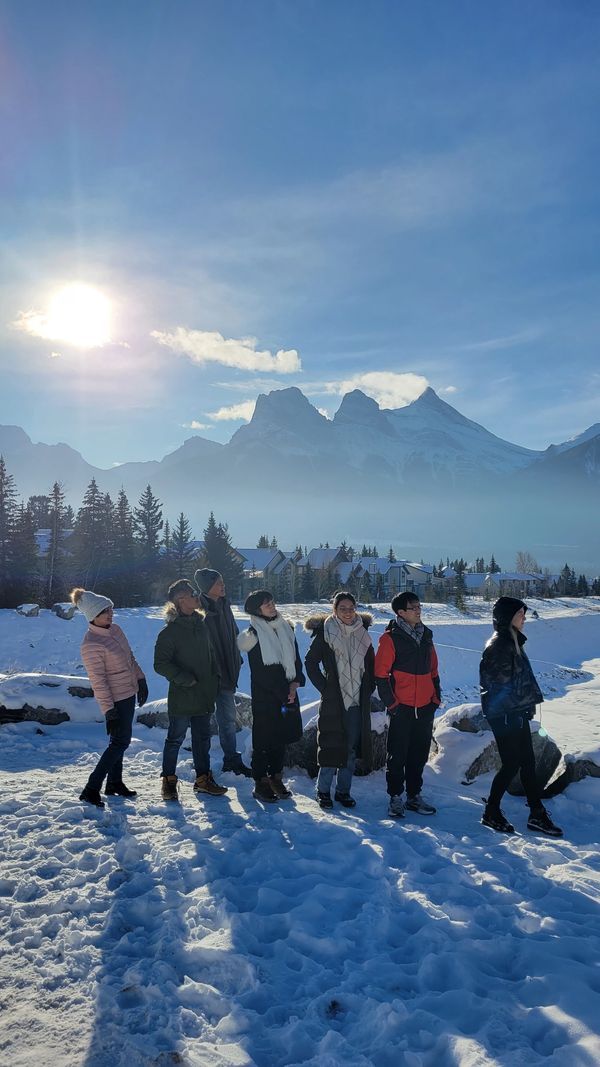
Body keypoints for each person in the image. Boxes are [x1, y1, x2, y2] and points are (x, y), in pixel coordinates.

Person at [480, 597, 563, 836]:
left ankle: (536, 813)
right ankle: (491, 811)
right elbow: (497, 687)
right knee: (511, 764)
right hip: (505, 716)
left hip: (516, 713)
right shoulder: (499, 646)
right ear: (507, 617)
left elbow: (518, 682)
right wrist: (513, 710)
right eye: (520, 614)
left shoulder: (513, 641)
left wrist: (525, 706)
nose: (524, 618)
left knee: (527, 763)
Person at [72, 588, 148, 808]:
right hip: (115, 699)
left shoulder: (116, 630)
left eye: (110, 609)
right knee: (120, 742)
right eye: (105, 611)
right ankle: (91, 788)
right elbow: (99, 682)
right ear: (93, 616)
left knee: (119, 742)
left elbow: (130, 657)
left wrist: (141, 680)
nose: (110, 614)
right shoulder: (91, 644)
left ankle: (114, 783)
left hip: (128, 692)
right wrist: (109, 711)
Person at [154, 579, 225, 801]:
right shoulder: (169, 633)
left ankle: (203, 780)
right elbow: (160, 664)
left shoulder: (201, 625)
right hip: (183, 697)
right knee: (175, 739)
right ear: (180, 600)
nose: (197, 597)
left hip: (204, 695)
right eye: (192, 594)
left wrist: (215, 679)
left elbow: (211, 655)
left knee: (202, 740)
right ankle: (168, 782)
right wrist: (185, 679)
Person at [304, 591, 375, 809]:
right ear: (334, 610)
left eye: (351, 608)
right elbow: (310, 663)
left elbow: (371, 666)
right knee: (329, 746)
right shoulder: (325, 632)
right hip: (334, 700)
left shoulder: (363, 634)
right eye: (342, 608)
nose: (347, 612)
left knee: (351, 750)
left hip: (356, 701)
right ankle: (323, 790)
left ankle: (343, 791)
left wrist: (368, 688)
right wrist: (325, 688)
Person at [375, 593, 441, 819]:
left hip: (424, 707)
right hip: (401, 707)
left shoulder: (426, 636)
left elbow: (434, 671)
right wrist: (393, 704)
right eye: (413, 607)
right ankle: (395, 797)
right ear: (400, 613)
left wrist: (435, 699)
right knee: (397, 755)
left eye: (418, 605)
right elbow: (380, 675)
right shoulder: (390, 639)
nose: (418, 609)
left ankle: (414, 796)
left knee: (419, 754)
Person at [237, 589, 304, 803]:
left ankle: (276, 777)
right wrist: (286, 692)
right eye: (267, 604)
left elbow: (296, 659)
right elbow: (261, 672)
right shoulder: (253, 635)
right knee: (263, 740)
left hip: (288, 692)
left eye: (272, 601)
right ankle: (260, 782)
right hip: (266, 696)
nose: (272, 606)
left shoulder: (286, 627)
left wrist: (295, 683)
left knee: (281, 738)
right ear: (257, 610)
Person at [194, 567, 251, 777]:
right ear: (208, 587)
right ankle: (202, 768)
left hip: (227, 672)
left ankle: (231, 760)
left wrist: (237, 657)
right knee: (204, 721)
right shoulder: (199, 609)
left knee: (227, 718)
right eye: (219, 583)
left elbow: (233, 632)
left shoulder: (225, 604)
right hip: (208, 677)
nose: (223, 586)